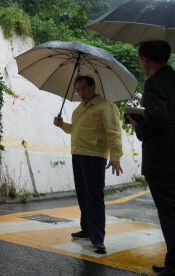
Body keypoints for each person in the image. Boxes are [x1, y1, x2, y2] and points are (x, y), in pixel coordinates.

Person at [53, 75, 123, 254]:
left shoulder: (106, 107)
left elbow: (114, 133)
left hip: (94, 156)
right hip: (78, 154)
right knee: (83, 195)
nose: (81, 93)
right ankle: (86, 230)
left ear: (93, 87)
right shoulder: (79, 109)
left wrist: (115, 157)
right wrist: (62, 125)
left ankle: (98, 238)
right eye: (77, 90)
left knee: (94, 197)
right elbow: (74, 129)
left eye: (84, 89)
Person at [127, 40, 175, 275]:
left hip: (163, 160)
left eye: (140, 60)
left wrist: (138, 124)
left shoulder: (155, 83)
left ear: (145, 59)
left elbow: (157, 119)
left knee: (170, 214)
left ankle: (174, 266)